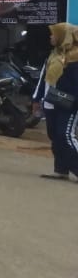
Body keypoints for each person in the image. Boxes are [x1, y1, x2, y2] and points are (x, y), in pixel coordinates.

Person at [34, 23, 78, 180]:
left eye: (53, 34)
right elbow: (43, 80)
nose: (51, 37)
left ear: (62, 36)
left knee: (65, 135)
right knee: (55, 136)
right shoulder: (53, 55)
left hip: (69, 104)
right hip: (51, 102)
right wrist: (37, 98)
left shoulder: (74, 58)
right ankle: (61, 169)